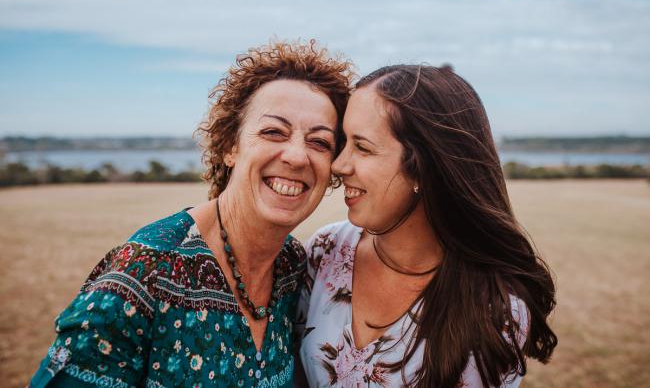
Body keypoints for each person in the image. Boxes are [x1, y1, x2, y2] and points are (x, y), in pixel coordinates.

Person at [29, 40, 352, 388]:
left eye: (319, 142)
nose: (297, 156)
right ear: (230, 146)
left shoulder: (293, 268)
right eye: (273, 132)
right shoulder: (143, 276)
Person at [298, 65, 557, 387]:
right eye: (343, 143)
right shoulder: (327, 250)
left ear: (424, 168)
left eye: (362, 147)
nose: (338, 165)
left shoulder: (493, 312)